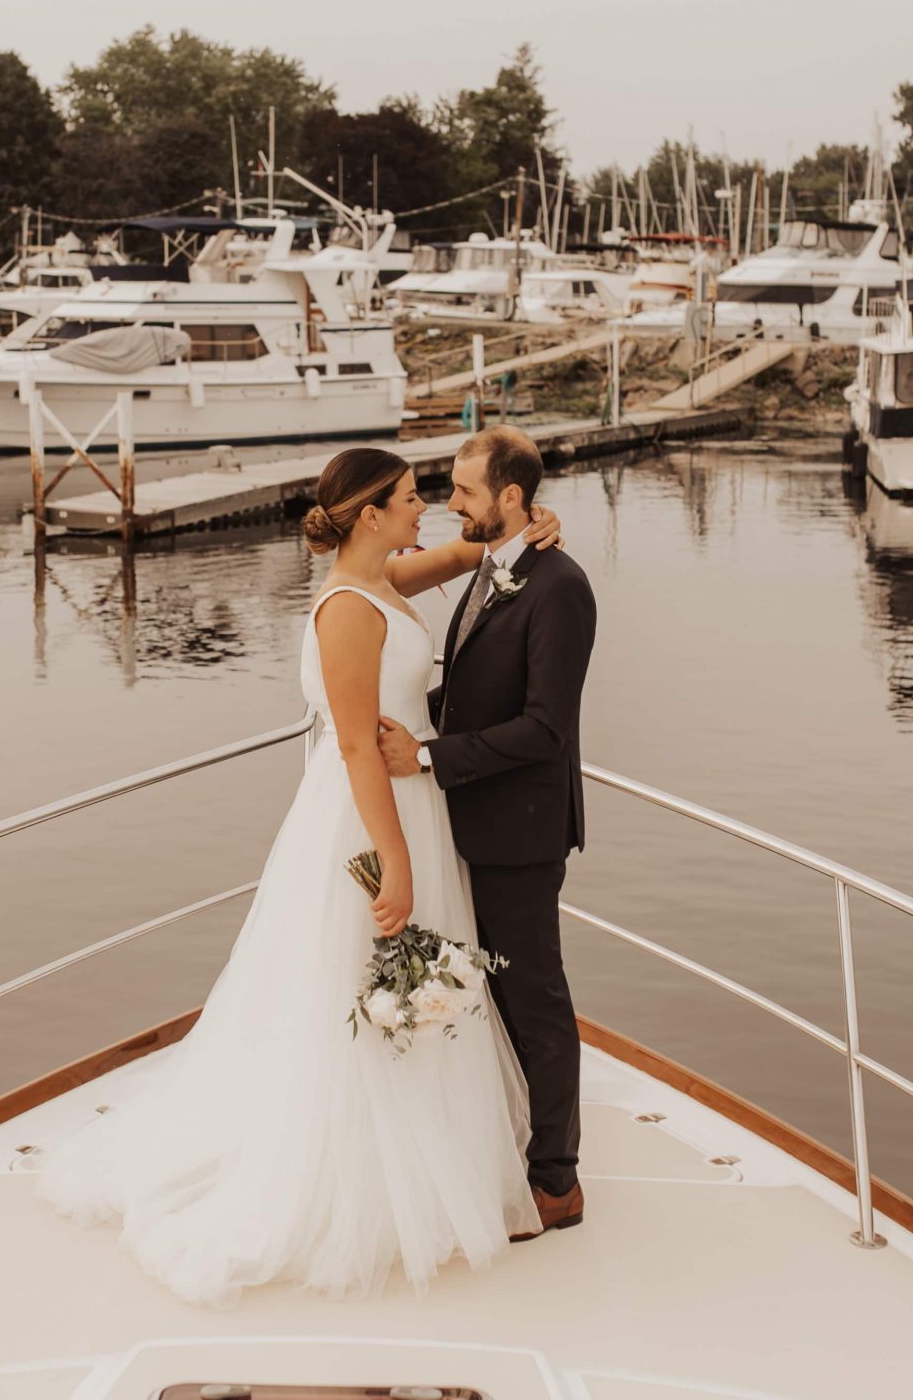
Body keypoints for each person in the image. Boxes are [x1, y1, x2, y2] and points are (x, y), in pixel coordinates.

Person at [35, 447, 564, 1304]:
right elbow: (357, 743)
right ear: (370, 516)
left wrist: (530, 529)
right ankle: (356, 1166)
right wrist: (393, 857)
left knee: (403, 982)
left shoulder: (387, 577)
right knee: (358, 978)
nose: (424, 504)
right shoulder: (349, 609)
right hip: (368, 813)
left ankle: (427, 1146)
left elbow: (471, 554)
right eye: (408, 496)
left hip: (410, 800)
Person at [379, 425, 594, 1239]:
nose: (450, 502)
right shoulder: (494, 568)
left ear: (511, 497)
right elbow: (472, 693)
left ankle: (557, 1182)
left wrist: (429, 756)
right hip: (472, 820)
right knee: (496, 998)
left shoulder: (559, 586)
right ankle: (514, 1148)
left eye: (465, 490)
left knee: (534, 999)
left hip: (522, 830)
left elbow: (546, 728)